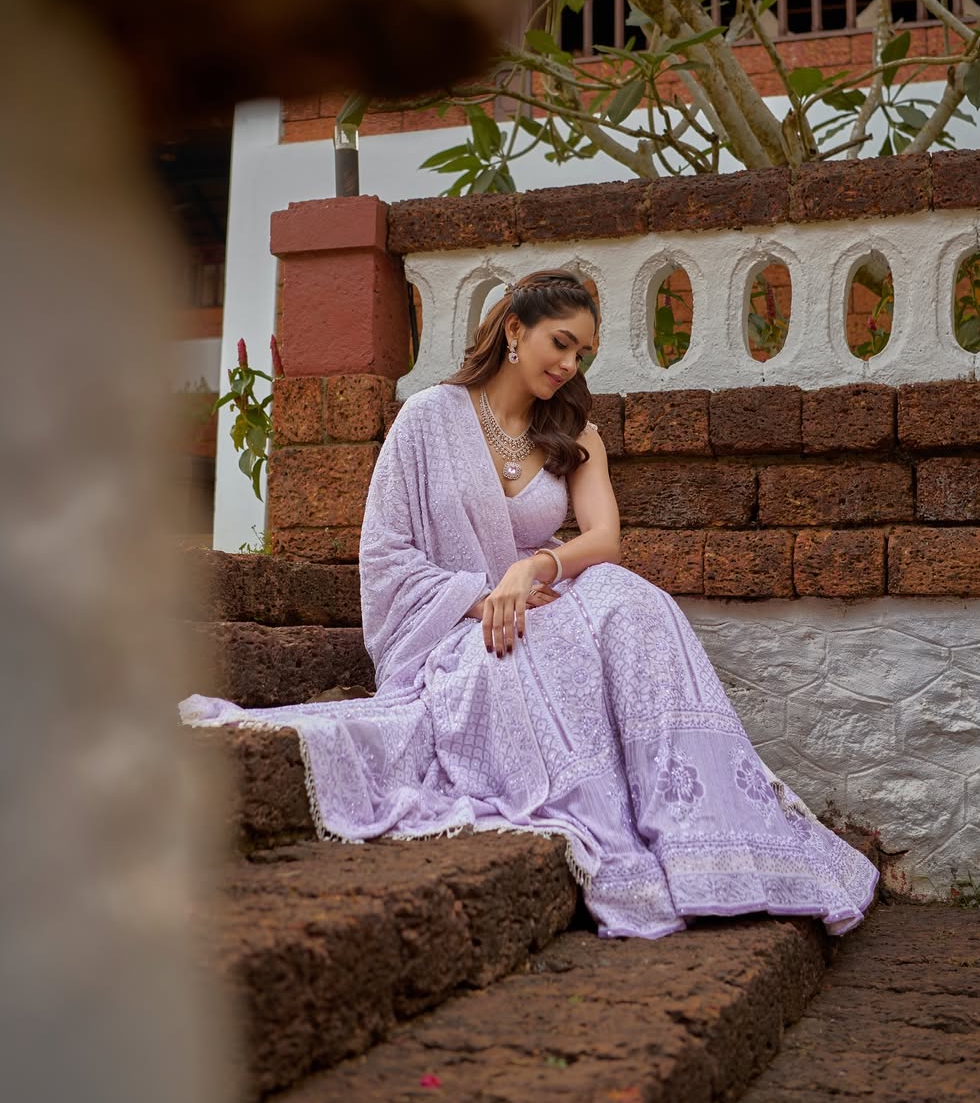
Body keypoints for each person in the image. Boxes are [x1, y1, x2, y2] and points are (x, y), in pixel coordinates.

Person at [181, 269, 878, 938]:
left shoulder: (574, 433)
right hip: (462, 632)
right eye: (561, 343)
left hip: (548, 603)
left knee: (630, 597)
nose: (570, 364)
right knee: (567, 632)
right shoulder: (427, 420)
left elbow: (603, 540)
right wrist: (482, 595)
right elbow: (387, 557)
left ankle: (706, 836)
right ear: (515, 330)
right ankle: (623, 821)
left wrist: (532, 568)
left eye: (582, 353)